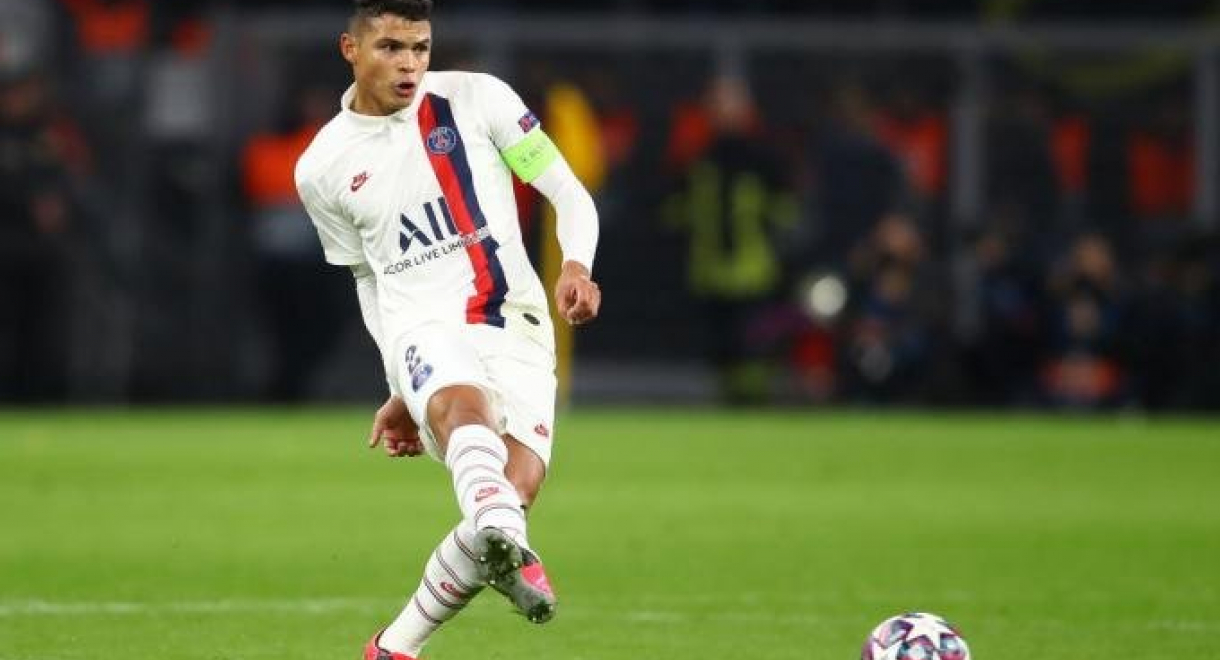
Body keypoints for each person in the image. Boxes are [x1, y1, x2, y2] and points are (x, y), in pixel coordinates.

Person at [293, 2, 601, 659]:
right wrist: (399, 383)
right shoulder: (321, 167)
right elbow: (367, 278)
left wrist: (576, 264)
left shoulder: (480, 99)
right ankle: (503, 535)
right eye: (391, 47)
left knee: (514, 490)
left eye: (420, 47)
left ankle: (394, 646)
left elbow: (568, 192)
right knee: (466, 409)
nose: (409, 63)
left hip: (515, 320)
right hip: (422, 326)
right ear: (350, 48)